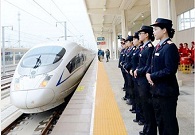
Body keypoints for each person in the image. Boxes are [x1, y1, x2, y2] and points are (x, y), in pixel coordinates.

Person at [146, 18, 180, 135]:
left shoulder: (170, 47)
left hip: (166, 92)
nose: (153, 32)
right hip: (157, 91)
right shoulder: (158, 46)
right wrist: (148, 73)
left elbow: (170, 70)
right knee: (160, 121)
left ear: (164, 30)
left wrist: (152, 76)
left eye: (155, 29)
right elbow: (153, 64)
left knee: (168, 123)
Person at [134, 25, 157, 135]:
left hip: (144, 81)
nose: (139, 36)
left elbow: (149, 66)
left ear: (146, 34)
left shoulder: (150, 48)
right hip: (140, 80)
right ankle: (147, 129)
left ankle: (150, 130)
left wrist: (138, 70)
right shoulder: (144, 47)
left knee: (148, 106)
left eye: (140, 33)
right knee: (144, 105)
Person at [130, 31, 145, 124]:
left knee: (142, 100)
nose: (133, 41)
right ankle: (139, 116)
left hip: (141, 77)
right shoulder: (138, 49)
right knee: (137, 96)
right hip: (136, 75)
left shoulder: (147, 48)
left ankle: (142, 118)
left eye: (135, 39)